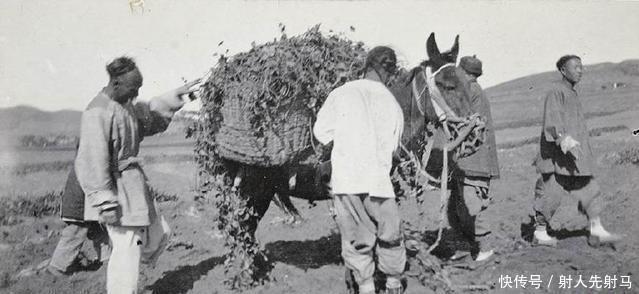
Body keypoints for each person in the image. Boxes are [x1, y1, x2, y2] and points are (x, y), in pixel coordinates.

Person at [74, 56, 200, 293]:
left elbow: (150, 117)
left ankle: (124, 259)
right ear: (116, 84)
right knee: (127, 249)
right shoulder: (97, 113)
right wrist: (105, 203)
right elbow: (91, 161)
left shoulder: (125, 106)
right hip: (115, 191)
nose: (136, 94)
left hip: (133, 187)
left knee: (158, 234)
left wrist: (180, 96)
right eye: (134, 89)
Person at [313, 46, 406, 294]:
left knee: (356, 240)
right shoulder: (392, 102)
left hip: (347, 182)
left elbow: (321, 133)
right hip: (379, 183)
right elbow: (395, 148)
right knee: (390, 235)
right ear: (390, 73)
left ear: (365, 66)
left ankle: (365, 287)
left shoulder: (341, 93)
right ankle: (394, 284)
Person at [531, 55, 622, 247]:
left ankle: (596, 230)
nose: (580, 70)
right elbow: (552, 121)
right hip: (558, 158)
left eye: (582, 67)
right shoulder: (556, 91)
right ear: (563, 70)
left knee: (590, 190)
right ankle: (539, 233)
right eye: (576, 67)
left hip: (576, 158)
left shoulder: (572, 92)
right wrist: (563, 139)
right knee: (551, 194)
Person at [450, 56, 500, 262]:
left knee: (472, 204)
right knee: (459, 204)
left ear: (465, 73)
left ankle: (483, 248)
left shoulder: (471, 90)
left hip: (474, 159)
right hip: (467, 158)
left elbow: (465, 122)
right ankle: (463, 248)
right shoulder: (470, 89)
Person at [46, 166, 110, 276]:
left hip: (88, 191)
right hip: (82, 196)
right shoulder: (89, 152)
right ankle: (57, 266)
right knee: (76, 231)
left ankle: (106, 260)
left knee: (98, 229)